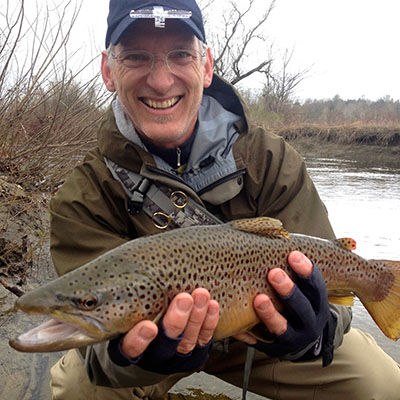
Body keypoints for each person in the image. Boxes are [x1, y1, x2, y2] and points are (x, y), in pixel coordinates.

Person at [49, 1, 400, 399]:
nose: (161, 81)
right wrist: (140, 358)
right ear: (109, 71)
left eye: (180, 54)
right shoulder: (84, 195)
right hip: (149, 352)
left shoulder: (271, 159)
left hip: (261, 339)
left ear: (206, 65)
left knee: (383, 386)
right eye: (136, 57)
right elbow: (94, 346)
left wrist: (312, 333)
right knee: (76, 388)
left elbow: (334, 308)